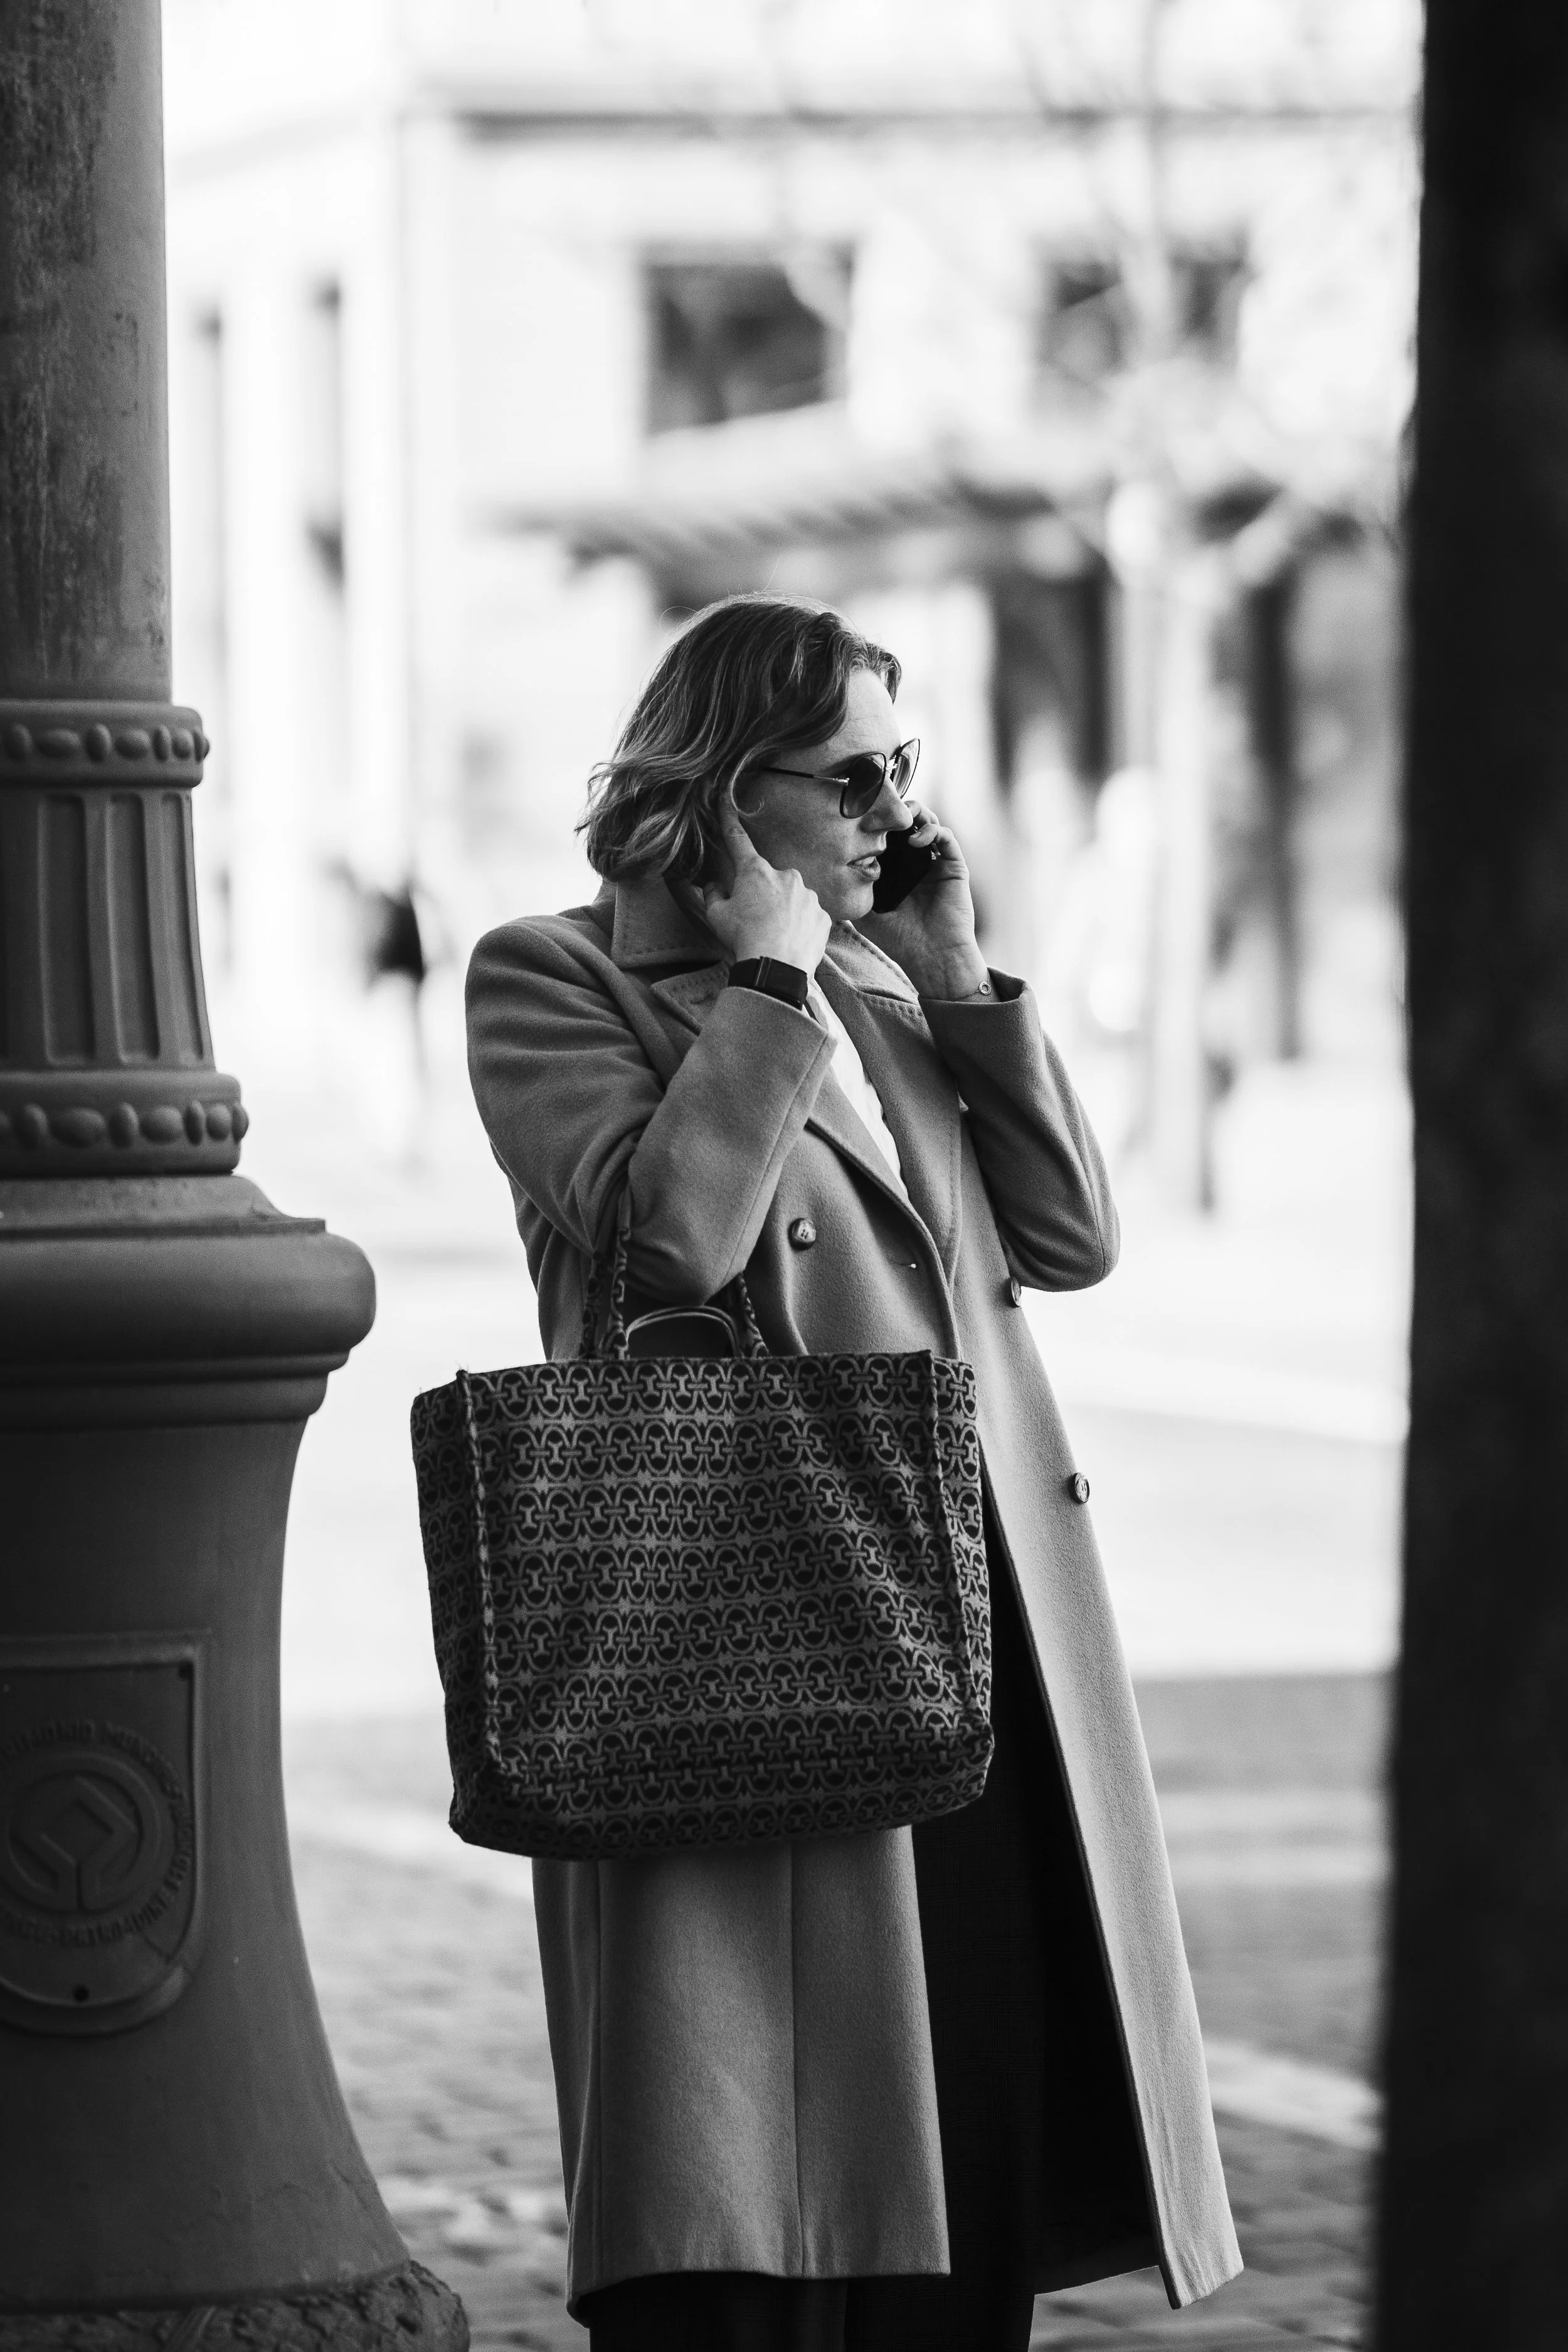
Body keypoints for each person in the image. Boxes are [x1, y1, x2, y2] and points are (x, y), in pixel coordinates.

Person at [465, 595, 1241, 2352]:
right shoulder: (551, 974)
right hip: (747, 1592)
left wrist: (964, 986)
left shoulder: (893, 969)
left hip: (971, 1598)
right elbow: (663, 1253)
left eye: (908, 760)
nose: (900, 806)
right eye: (852, 775)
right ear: (733, 793)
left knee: (967, 2110)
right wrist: (759, 981)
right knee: (759, 2191)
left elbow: (1067, 1236)